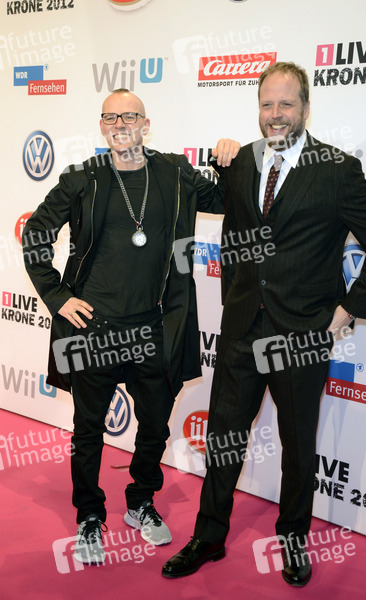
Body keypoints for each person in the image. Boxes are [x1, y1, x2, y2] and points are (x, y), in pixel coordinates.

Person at [162, 62, 366, 587]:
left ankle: (293, 538)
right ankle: (208, 535)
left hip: (302, 334)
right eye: (267, 104)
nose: (275, 114)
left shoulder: (336, 170)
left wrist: (348, 310)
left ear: (306, 109)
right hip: (241, 329)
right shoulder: (244, 162)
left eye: (286, 104)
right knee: (224, 439)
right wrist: (220, 160)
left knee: (297, 446)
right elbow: (224, 224)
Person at [22, 88, 239, 565]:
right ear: (102, 126)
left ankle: (141, 501)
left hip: (155, 327)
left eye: (130, 116)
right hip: (94, 328)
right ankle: (89, 514)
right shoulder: (82, 178)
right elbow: (35, 233)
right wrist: (58, 297)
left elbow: (227, 201)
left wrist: (226, 162)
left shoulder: (175, 172)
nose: (121, 125)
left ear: (146, 124)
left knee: (155, 427)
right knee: (88, 430)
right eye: (111, 117)